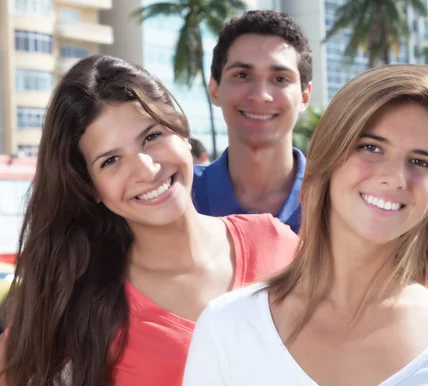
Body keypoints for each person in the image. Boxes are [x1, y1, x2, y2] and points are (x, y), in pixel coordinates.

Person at [183, 64, 428, 385]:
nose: (395, 178)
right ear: (327, 160)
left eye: (419, 161)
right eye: (371, 147)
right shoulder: (227, 326)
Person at [0, 55, 298, 386]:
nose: (146, 169)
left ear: (181, 130)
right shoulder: (85, 302)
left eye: (152, 136)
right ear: (91, 187)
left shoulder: (277, 245)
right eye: (111, 160)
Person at [192, 10, 312, 234]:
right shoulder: (177, 195)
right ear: (215, 89)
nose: (260, 95)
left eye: (279, 79)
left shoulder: (337, 201)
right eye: (242, 75)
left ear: (305, 95)